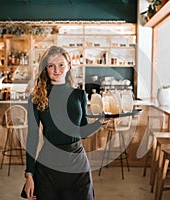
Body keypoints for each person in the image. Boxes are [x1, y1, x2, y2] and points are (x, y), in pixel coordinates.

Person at [23, 46, 103, 200]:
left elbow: (82, 132)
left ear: (69, 66)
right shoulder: (36, 98)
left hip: (77, 164)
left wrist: (100, 122)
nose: (56, 70)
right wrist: (29, 175)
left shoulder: (79, 94)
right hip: (48, 165)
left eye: (61, 65)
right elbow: (32, 137)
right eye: (51, 65)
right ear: (45, 69)